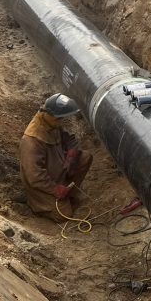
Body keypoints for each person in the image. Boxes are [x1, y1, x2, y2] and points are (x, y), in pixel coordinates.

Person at [18, 93, 94, 222]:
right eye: (59, 118)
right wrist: (55, 189)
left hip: (58, 174)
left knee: (85, 157)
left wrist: (71, 153)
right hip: (42, 186)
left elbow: (69, 139)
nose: (61, 121)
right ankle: (37, 205)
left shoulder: (51, 124)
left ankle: (68, 195)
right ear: (50, 115)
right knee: (64, 215)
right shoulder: (31, 141)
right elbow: (34, 177)